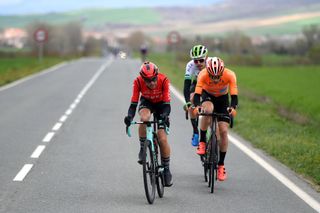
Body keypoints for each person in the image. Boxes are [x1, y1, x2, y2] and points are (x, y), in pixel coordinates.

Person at [124, 61, 173, 187]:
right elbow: (134, 104)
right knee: (144, 118)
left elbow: (167, 104)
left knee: (162, 139)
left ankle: (166, 169)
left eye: (153, 79)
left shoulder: (164, 80)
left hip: (162, 105)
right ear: (143, 79)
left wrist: (165, 116)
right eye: (148, 80)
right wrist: (129, 117)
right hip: (147, 102)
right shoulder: (138, 82)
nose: (151, 83)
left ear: (157, 75)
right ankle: (142, 148)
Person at [192, 57, 238, 181]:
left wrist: (232, 108)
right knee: (207, 110)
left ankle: (221, 165)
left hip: (223, 100)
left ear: (222, 71)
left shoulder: (230, 75)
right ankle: (202, 141)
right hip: (208, 96)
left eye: (218, 76)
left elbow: (234, 96)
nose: (215, 79)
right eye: (212, 76)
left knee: (223, 131)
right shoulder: (203, 74)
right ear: (208, 72)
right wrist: (197, 107)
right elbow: (197, 94)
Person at [183, 45, 208, 146]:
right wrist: (188, 102)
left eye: (201, 60)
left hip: (210, 85)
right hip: (197, 83)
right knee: (191, 99)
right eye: (195, 61)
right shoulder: (190, 65)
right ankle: (195, 132)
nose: (198, 63)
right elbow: (187, 86)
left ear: (206, 57)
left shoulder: (211, 63)